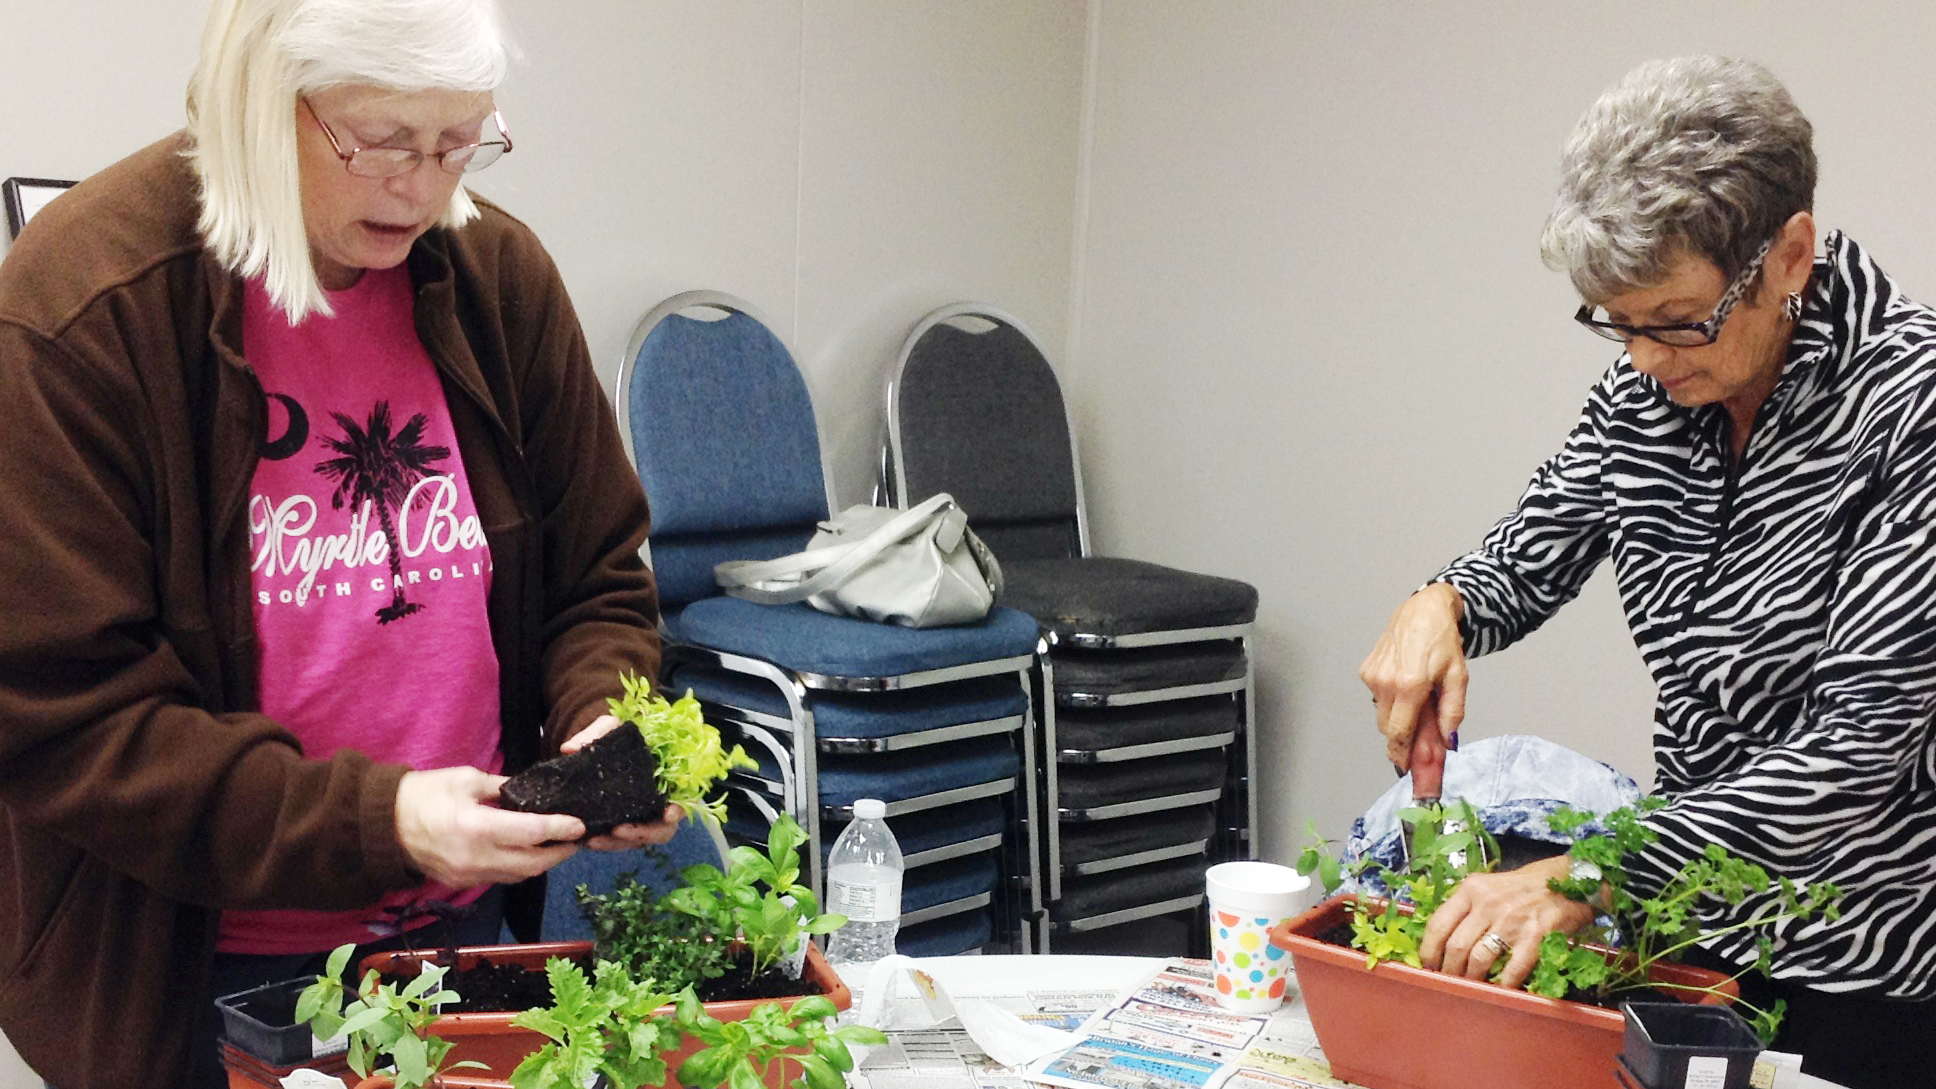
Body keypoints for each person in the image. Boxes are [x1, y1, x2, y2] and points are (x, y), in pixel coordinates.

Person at [0, 1, 681, 1086]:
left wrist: (602, 718)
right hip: (197, 977)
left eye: (461, 142)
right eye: (385, 143)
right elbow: (75, 724)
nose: (425, 187)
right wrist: (385, 818)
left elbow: (597, 577)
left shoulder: (494, 276)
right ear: (261, 107)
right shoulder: (82, 308)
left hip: (465, 938)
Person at [1359, 56, 1936, 1089]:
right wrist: (1438, 602)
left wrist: (1590, 871)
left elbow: (1856, 753)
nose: (1641, 362)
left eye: (1674, 321)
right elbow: (1530, 551)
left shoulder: (1912, 411)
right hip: (1696, 940)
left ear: (1790, 255)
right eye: (1614, 324)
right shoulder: (1653, 391)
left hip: (1873, 979)